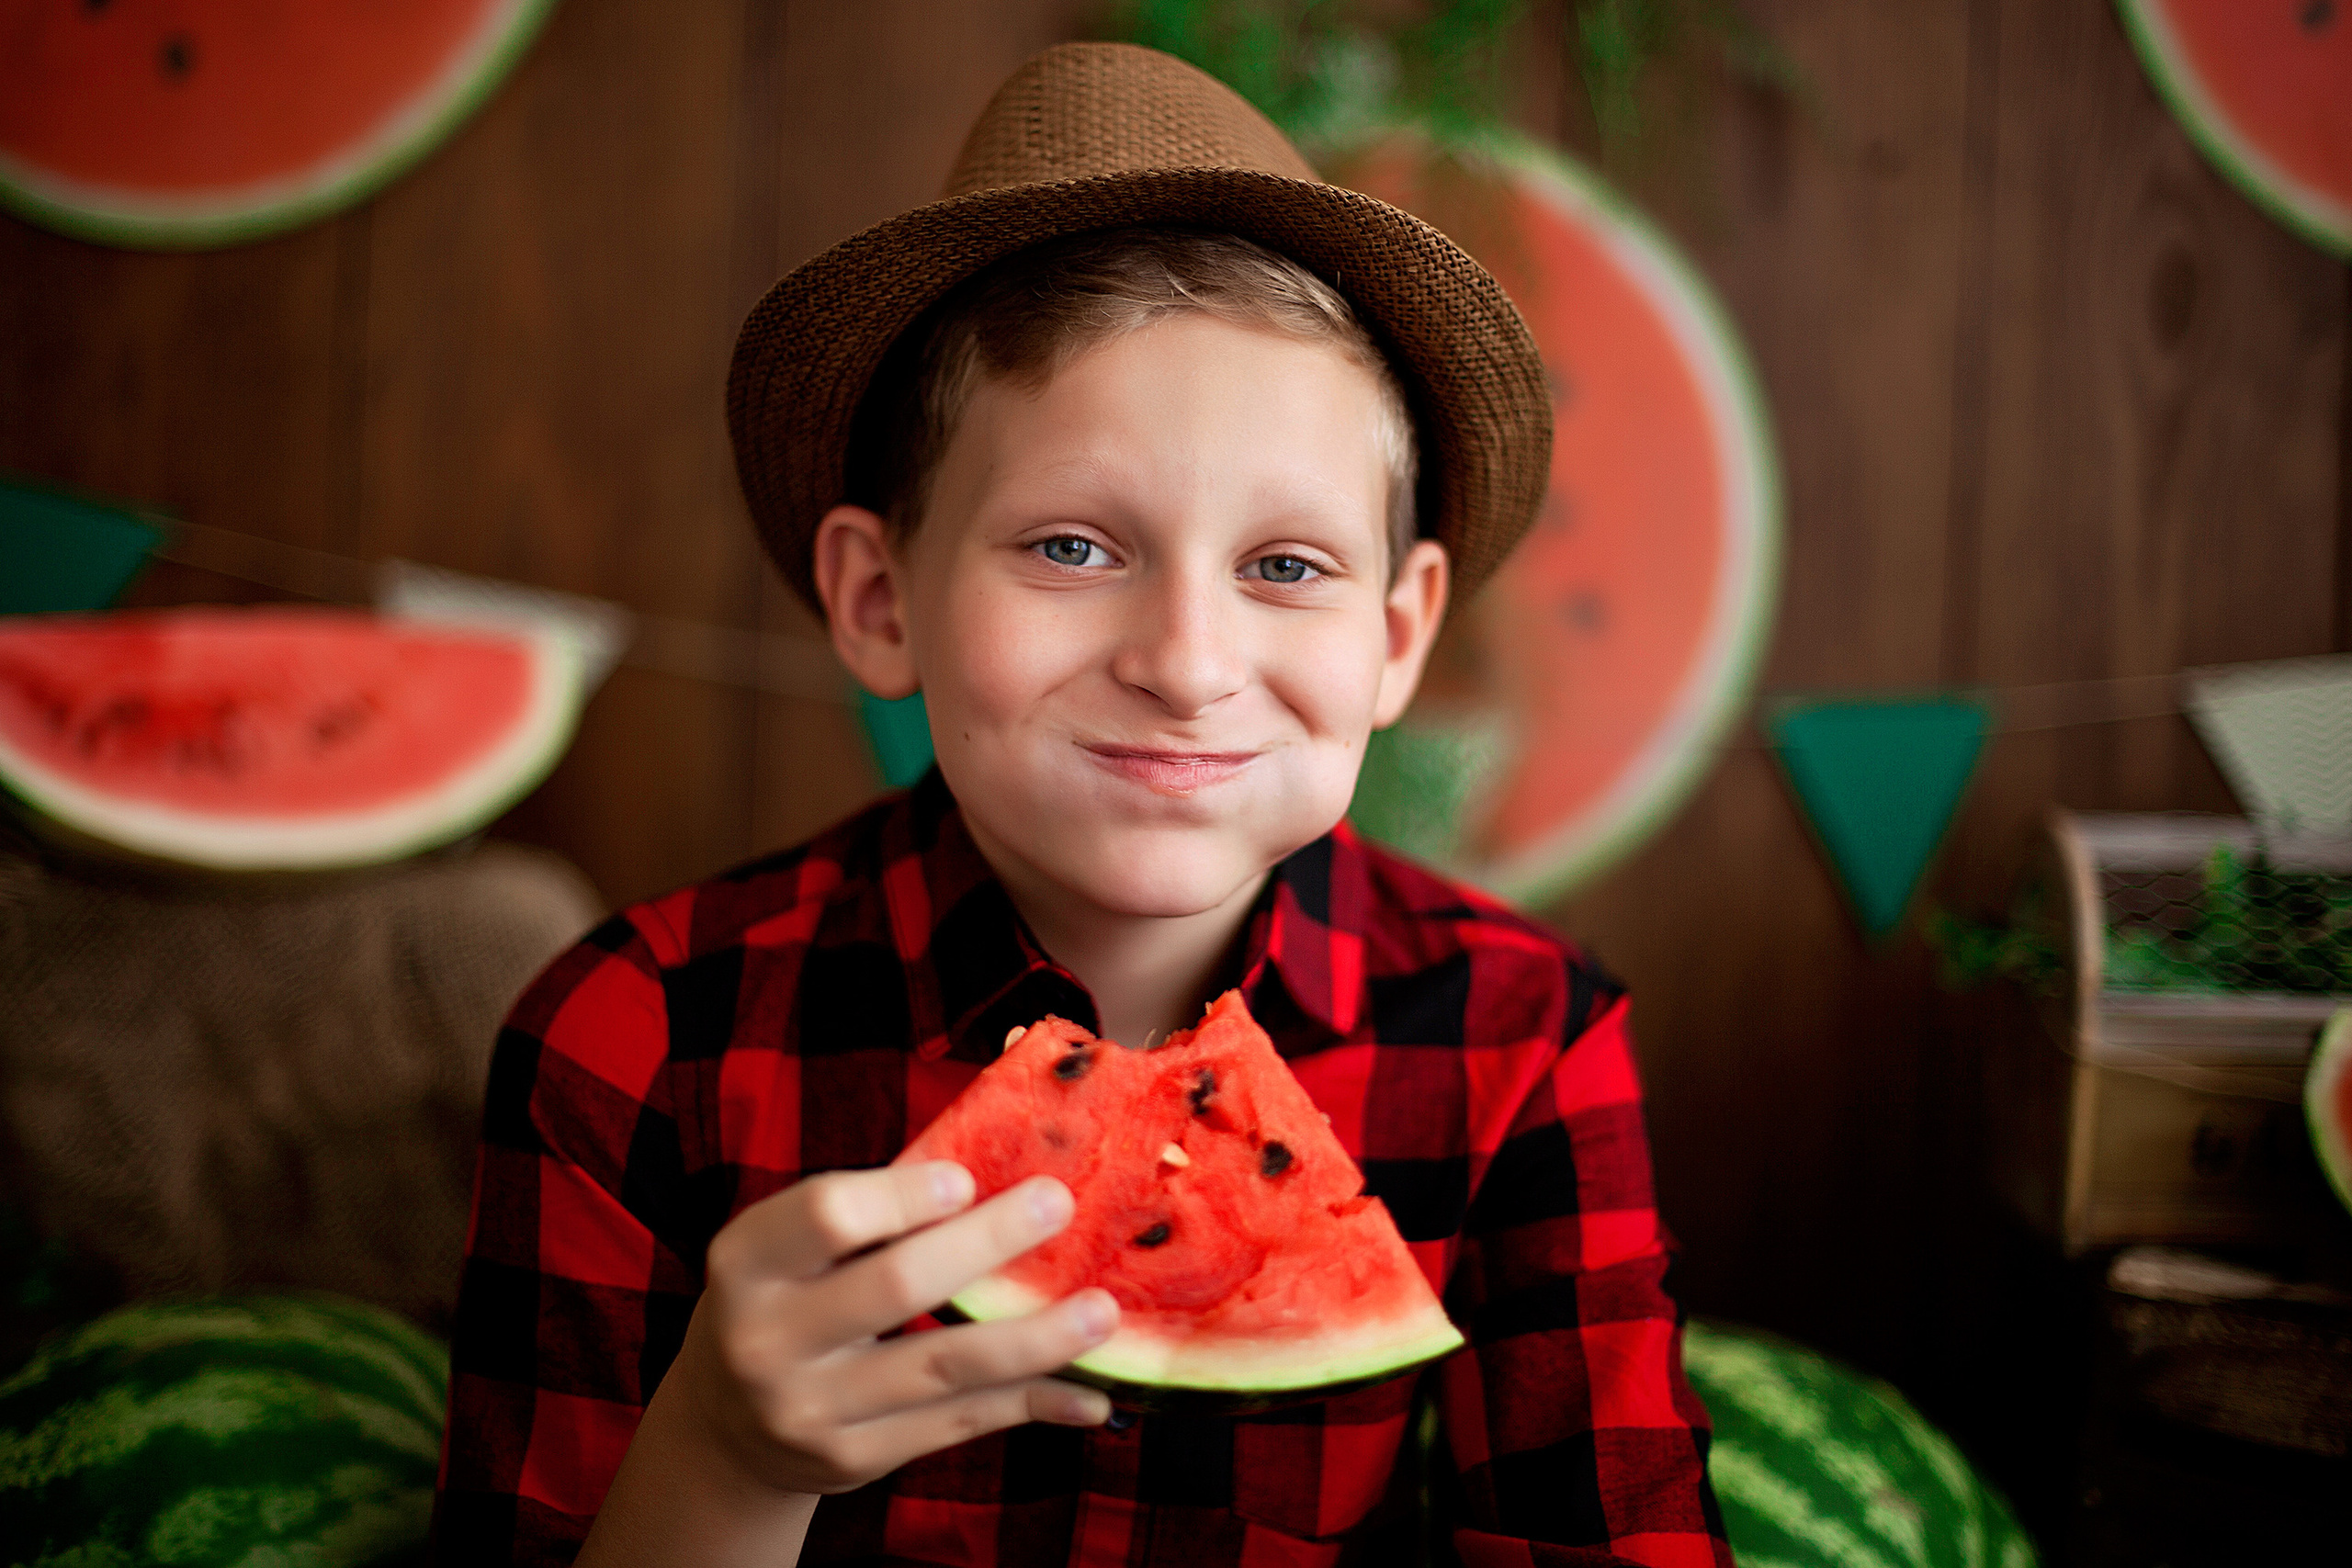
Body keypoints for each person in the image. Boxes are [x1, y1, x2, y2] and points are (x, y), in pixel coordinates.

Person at [432, 41, 1727, 1568]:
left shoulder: (1525, 1041)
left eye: (1286, 567)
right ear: (877, 598)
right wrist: (723, 1454)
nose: (1187, 662)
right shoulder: (630, 1037)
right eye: (1070, 548)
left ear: (1396, 636)